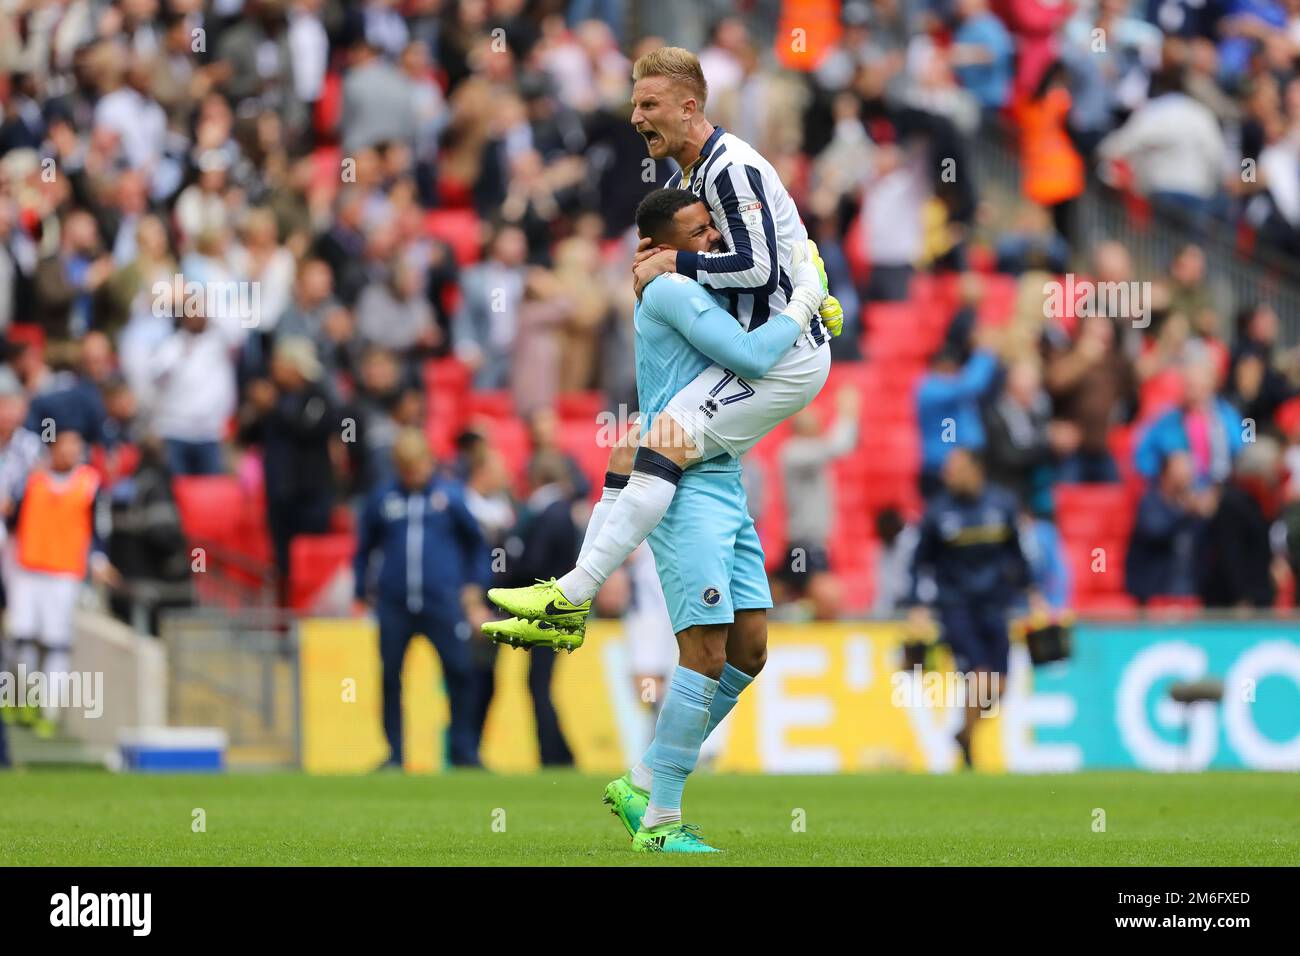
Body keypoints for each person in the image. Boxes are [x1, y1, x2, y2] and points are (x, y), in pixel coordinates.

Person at [484, 46, 841, 639]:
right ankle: (568, 597)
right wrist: (661, 263)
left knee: (663, 446)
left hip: (784, 354)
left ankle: (573, 596)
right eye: (633, 103)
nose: (635, 117)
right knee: (628, 450)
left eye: (648, 104)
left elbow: (756, 269)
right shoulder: (689, 178)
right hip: (753, 348)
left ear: (688, 106)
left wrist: (675, 261)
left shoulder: (731, 168)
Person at [353, 429, 491, 770]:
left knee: (458, 671)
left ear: (429, 462)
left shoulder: (450, 497)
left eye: (416, 466)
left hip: (441, 603)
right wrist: (362, 587)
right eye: (405, 468)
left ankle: (463, 749)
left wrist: (474, 586)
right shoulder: (384, 498)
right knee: (390, 676)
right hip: (395, 604)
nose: (412, 474)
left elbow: (477, 545)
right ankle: (395, 753)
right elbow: (364, 546)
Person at [906, 448, 1045, 769]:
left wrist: (1032, 592)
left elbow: (1018, 553)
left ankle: (965, 734)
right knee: (981, 680)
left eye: (955, 469)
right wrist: (917, 604)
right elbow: (918, 562)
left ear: (976, 470)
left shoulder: (1002, 505)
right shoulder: (939, 513)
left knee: (999, 688)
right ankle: (965, 736)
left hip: (996, 605)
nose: (948, 476)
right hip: (956, 607)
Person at [6, 430, 119, 734]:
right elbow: (12, 518)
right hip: (27, 565)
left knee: (56, 640)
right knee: (22, 635)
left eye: (75, 447)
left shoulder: (90, 483)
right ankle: (24, 699)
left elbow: (99, 528)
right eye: (63, 446)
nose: (69, 453)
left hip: (65, 570)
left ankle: (49, 710)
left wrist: (98, 560)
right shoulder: (32, 479)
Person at [239, 337, 340, 602]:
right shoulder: (272, 400)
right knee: (282, 563)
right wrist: (254, 410)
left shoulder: (318, 397)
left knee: (311, 561)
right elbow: (247, 437)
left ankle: (310, 615)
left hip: (311, 495)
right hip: (279, 494)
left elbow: (308, 428)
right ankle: (284, 619)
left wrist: (273, 408)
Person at [1125, 451, 1214, 605]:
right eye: (1181, 471)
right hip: (1155, 591)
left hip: (1191, 591)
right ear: (1165, 474)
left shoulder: (1194, 509)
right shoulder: (1150, 502)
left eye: (1189, 471)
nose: (1187, 476)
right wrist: (1186, 512)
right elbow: (1155, 532)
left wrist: (1210, 514)